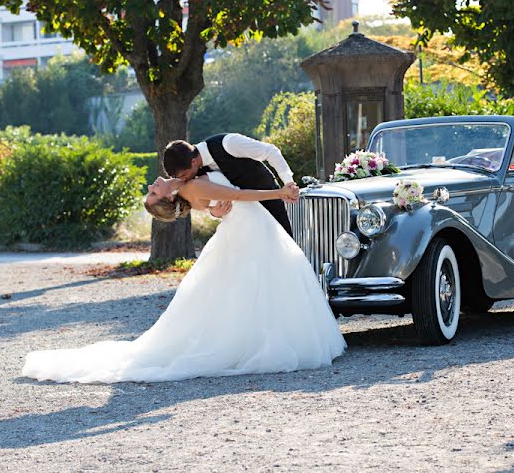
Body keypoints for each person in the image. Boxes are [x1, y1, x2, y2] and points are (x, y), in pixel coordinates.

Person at [21, 170, 345, 383]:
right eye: (153, 193)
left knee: (246, 287)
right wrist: (278, 192)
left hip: (245, 230)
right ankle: (261, 339)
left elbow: (217, 205)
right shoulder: (192, 186)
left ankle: (260, 335)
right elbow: (241, 195)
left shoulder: (188, 186)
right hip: (251, 229)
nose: (152, 185)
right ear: (168, 198)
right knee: (255, 283)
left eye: (150, 190)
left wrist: (217, 208)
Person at [160, 133, 298, 237]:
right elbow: (208, 200)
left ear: (194, 162)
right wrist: (214, 212)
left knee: (286, 248)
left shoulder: (228, 143)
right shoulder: (193, 172)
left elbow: (270, 151)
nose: (184, 180)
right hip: (244, 222)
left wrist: (289, 184)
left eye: (184, 175)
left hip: (271, 204)